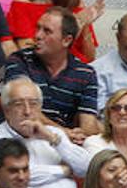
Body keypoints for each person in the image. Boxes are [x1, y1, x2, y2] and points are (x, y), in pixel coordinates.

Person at [5, 7, 100, 137]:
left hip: (59, 145)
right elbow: (26, 111)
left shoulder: (86, 73)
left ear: (66, 40)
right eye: (38, 28)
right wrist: (64, 133)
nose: (37, 35)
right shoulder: (19, 60)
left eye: (47, 31)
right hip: (18, 136)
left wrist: (81, 134)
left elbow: (88, 124)